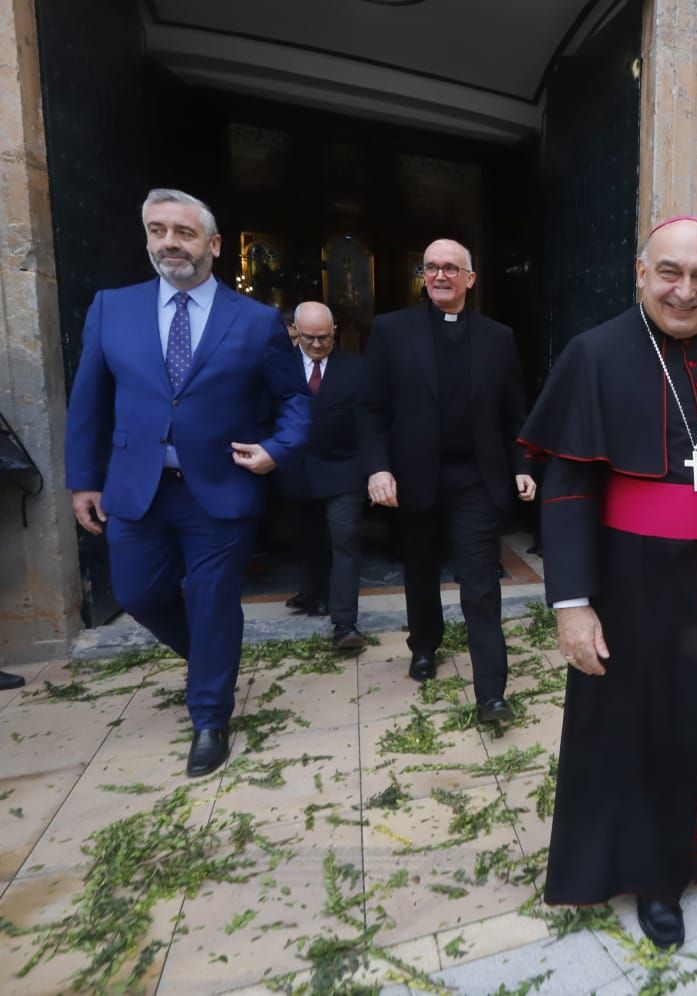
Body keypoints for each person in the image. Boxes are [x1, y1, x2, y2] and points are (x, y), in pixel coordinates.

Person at [519, 216, 697, 950]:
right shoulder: (595, 353)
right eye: (669, 271)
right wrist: (572, 604)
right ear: (640, 274)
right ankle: (651, 875)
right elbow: (569, 488)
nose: (685, 289)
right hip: (631, 579)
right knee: (640, 734)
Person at [65, 188, 310, 777]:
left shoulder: (255, 321)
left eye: (183, 232)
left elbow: (295, 399)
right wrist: (83, 480)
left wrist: (276, 451)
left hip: (220, 489)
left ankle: (209, 717)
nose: (168, 243)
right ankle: (212, 659)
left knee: (212, 601)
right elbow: (89, 403)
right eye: (157, 230)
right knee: (138, 594)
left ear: (214, 245)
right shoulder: (112, 308)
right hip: (135, 487)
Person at [359, 238, 536, 714]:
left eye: (451, 268)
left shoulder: (498, 337)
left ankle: (491, 691)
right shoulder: (391, 330)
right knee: (419, 567)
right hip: (415, 475)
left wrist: (522, 466)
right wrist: (378, 468)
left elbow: (513, 413)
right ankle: (424, 644)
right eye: (431, 267)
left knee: (480, 579)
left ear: (470, 279)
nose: (439, 276)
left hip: (475, 478)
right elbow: (372, 409)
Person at [275, 302, 367, 650]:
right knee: (308, 539)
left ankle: (345, 625)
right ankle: (315, 593)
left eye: (324, 338)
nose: (317, 345)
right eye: (309, 338)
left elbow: (369, 422)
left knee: (344, 540)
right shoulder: (279, 368)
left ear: (334, 332)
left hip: (344, 469)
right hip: (296, 470)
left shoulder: (356, 368)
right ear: (296, 333)